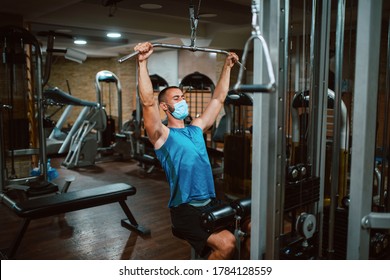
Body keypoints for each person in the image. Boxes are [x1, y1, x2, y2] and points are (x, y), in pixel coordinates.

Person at [134, 42, 250, 260]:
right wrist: (142, 62)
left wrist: (227, 67)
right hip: (186, 210)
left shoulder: (196, 128)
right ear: (165, 107)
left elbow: (218, 99)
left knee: (253, 225)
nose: (182, 101)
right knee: (228, 244)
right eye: (176, 98)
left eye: (183, 97)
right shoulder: (162, 135)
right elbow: (148, 102)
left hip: (212, 200)